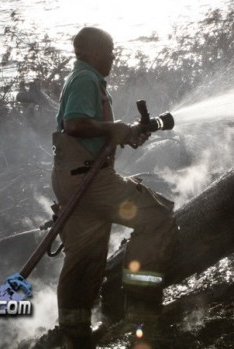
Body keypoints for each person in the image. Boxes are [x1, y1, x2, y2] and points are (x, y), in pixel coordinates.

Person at [51, 27, 178, 349]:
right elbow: (74, 124)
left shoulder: (81, 78)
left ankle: (75, 336)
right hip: (91, 182)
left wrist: (124, 134)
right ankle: (141, 313)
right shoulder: (85, 79)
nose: (113, 55)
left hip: (74, 178)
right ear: (92, 52)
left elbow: (88, 131)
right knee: (156, 217)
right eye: (109, 50)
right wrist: (115, 128)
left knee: (84, 258)